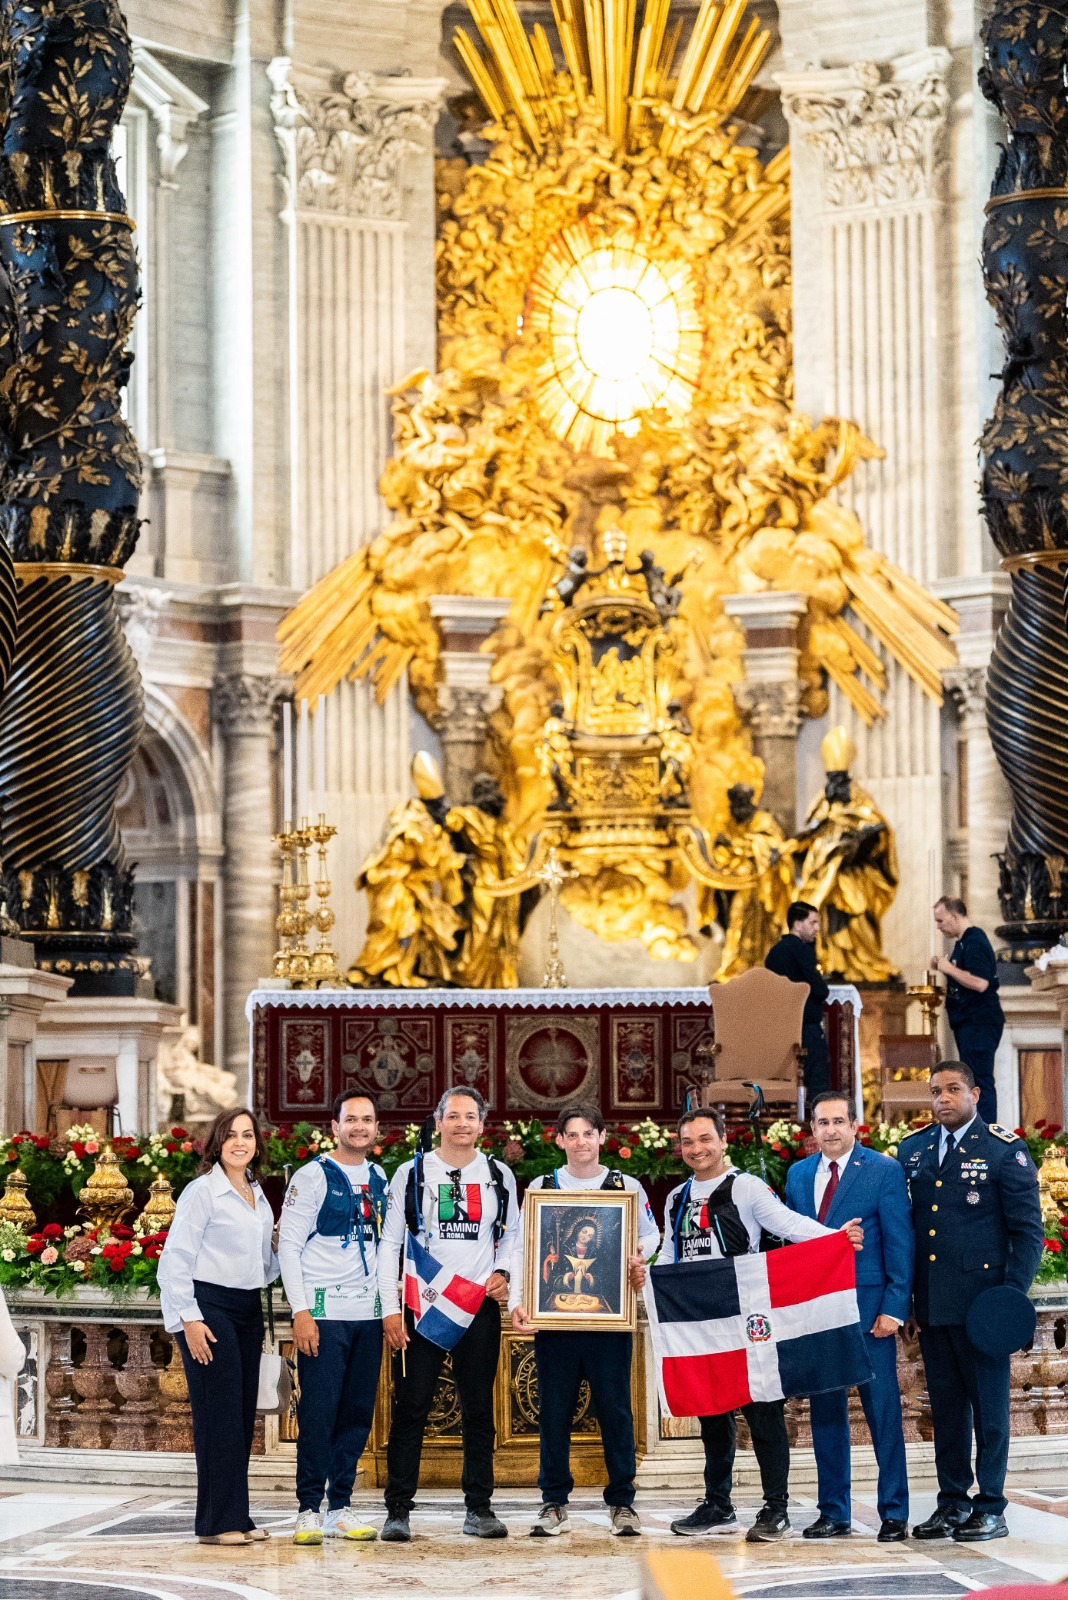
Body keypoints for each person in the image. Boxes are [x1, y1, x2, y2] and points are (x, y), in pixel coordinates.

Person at [663, 1109, 864, 1543]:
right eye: (688, 1142)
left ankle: (776, 1508)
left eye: (705, 1139)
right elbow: (669, 1252)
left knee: (763, 1409)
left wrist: (834, 1238)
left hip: (747, 1312)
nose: (697, 1149)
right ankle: (718, 1504)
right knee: (712, 1413)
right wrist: (650, 1277)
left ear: (722, 1141)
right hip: (701, 1317)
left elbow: (787, 1226)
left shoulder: (747, 1186)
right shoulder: (677, 1196)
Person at [898, 1061, 1044, 1542]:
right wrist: (910, 1300)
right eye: (936, 1090)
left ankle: (992, 1504)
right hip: (935, 1306)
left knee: (990, 1411)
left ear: (975, 1094)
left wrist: (1008, 1300)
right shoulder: (914, 1151)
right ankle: (953, 1502)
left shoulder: (1004, 1151)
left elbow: (1028, 1234)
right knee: (946, 1410)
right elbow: (913, 1233)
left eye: (953, 1089)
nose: (943, 1098)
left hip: (984, 1309)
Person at [510, 1103, 661, 1538]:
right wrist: (521, 1299)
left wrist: (638, 1257)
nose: (580, 1143)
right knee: (554, 1412)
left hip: (608, 1320)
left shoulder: (624, 1185)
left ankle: (622, 1502)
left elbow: (649, 1233)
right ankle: (554, 1502)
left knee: (615, 1410)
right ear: (560, 1140)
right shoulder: (543, 1186)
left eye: (587, 1134)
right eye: (571, 1135)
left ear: (601, 1138)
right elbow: (524, 1246)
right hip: (555, 1322)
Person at [378, 1086, 518, 1542]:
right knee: (412, 1406)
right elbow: (391, 1242)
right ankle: (398, 1509)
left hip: (477, 1304)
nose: (462, 1123)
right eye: (453, 1115)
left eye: (471, 1116)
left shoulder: (498, 1174)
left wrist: (504, 1271)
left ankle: (479, 1508)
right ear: (437, 1121)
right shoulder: (412, 1172)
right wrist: (388, 1308)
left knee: (479, 1409)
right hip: (424, 1304)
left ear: (482, 1124)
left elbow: (513, 1234)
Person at [784, 1091, 913, 1542]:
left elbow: (900, 1241)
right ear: (812, 1129)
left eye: (840, 1121)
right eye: (823, 1122)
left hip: (869, 1310)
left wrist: (894, 1307)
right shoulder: (798, 1175)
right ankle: (833, 1511)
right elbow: (793, 1242)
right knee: (825, 1414)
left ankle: (894, 1511)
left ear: (855, 1125)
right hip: (819, 1313)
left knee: (883, 1413)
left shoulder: (882, 1170)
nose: (832, 1130)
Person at [157, 1107, 277, 1547]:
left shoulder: (256, 1192)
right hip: (208, 1308)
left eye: (248, 1135)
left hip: (247, 1307)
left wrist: (282, 1247)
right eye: (231, 1135)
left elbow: (262, 1264)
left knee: (242, 1417)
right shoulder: (202, 1192)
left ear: (257, 1144)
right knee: (219, 1416)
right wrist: (189, 1319)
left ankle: (237, 1515)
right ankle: (215, 1523)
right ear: (217, 1143)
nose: (240, 1142)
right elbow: (174, 1261)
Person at [278, 1091, 388, 1545]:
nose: (359, 1126)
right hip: (324, 1314)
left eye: (367, 1120)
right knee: (320, 1415)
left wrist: (389, 1311)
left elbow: (387, 1250)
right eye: (351, 1120)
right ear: (335, 1126)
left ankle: (340, 1506)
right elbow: (288, 1245)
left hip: (368, 1315)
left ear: (377, 1128)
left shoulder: (380, 1176)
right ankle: (307, 1508)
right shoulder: (313, 1175)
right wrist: (301, 1311)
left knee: (356, 1415)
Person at [932, 896, 1005, 1123]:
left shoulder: (975, 941)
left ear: (955, 916)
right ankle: (978, 1133)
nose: (939, 927)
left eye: (941, 920)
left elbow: (981, 983)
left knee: (980, 1081)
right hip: (968, 1022)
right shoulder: (963, 942)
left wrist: (949, 969)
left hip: (979, 1021)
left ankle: (988, 1135)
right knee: (973, 1079)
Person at [765, 900, 831, 1098]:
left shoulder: (774, 952)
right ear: (797, 924)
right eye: (813, 923)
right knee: (816, 1080)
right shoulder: (802, 950)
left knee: (787, 1080)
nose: (817, 928)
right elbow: (820, 990)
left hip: (779, 1028)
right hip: (806, 1026)